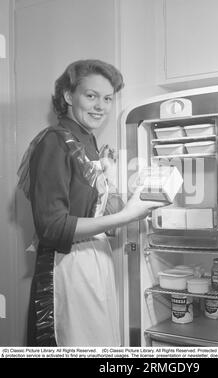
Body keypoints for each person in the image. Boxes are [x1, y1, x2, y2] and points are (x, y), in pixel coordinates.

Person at [17, 59, 166, 347]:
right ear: (68, 96)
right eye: (91, 95)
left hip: (96, 259)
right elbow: (52, 227)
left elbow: (94, 209)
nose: (101, 106)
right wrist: (126, 216)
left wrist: (120, 186)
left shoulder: (87, 141)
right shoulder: (54, 142)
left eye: (107, 98)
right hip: (67, 265)